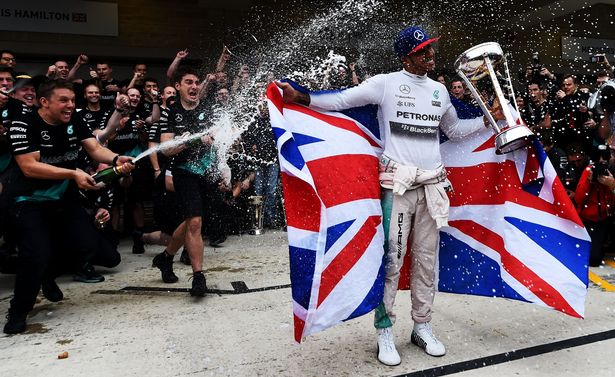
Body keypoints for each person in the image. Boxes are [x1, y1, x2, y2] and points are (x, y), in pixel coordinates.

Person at [276, 26, 500, 366]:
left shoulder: (439, 90)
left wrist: (489, 121)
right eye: (423, 52)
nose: (430, 56)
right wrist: (301, 98)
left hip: (433, 187)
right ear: (406, 57)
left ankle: (421, 326)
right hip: (397, 187)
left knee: (427, 262)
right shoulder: (385, 83)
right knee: (392, 262)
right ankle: (384, 329)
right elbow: (341, 100)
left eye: (431, 51)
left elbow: (454, 132)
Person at [3, 79, 134, 334]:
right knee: (35, 253)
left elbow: (95, 148)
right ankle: (19, 310)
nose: (70, 105)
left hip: (63, 199)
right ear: (44, 102)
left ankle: (47, 273)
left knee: (84, 244)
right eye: (64, 100)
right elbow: (29, 166)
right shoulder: (23, 124)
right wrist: (72, 174)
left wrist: (117, 158)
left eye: (73, 100)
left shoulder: (74, 119)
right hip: (28, 201)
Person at [158, 66, 220, 296]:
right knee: (194, 223)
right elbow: (166, 150)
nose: (194, 86)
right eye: (188, 82)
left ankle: (166, 258)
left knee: (190, 221)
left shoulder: (208, 108)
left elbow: (219, 133)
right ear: (178, 87)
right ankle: (198, 277)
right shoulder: (170, 113)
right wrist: (191, 142)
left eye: (196, 82)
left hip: (207, 172)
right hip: (184, 172)